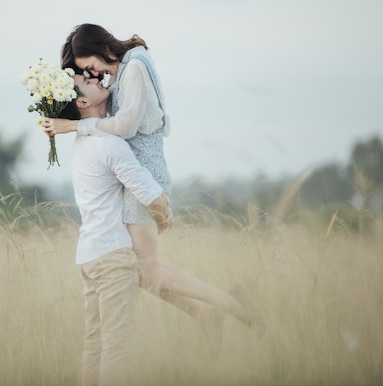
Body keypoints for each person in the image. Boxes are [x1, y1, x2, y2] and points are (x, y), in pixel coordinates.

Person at [46, 24, 265, 347]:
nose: (93, 73)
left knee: (145, 271)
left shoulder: (134, 68)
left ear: (99, 46)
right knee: (138, 272)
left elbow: (126, 124)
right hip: (137, 180)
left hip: (144, 178)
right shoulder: (124, 70)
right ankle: (207, 314)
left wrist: (76, 126)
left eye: (89, 65)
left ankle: (229, 303)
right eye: (85, 73)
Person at [65, 73, 173, 386]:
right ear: (82, 102)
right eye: (86, 82)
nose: (95, 78)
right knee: (117, 349)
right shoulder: (109, 143)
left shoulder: (81, 142)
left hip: (88, 255)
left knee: (95, 345)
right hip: (112, 256)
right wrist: (165, 216)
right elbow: (147, 191)